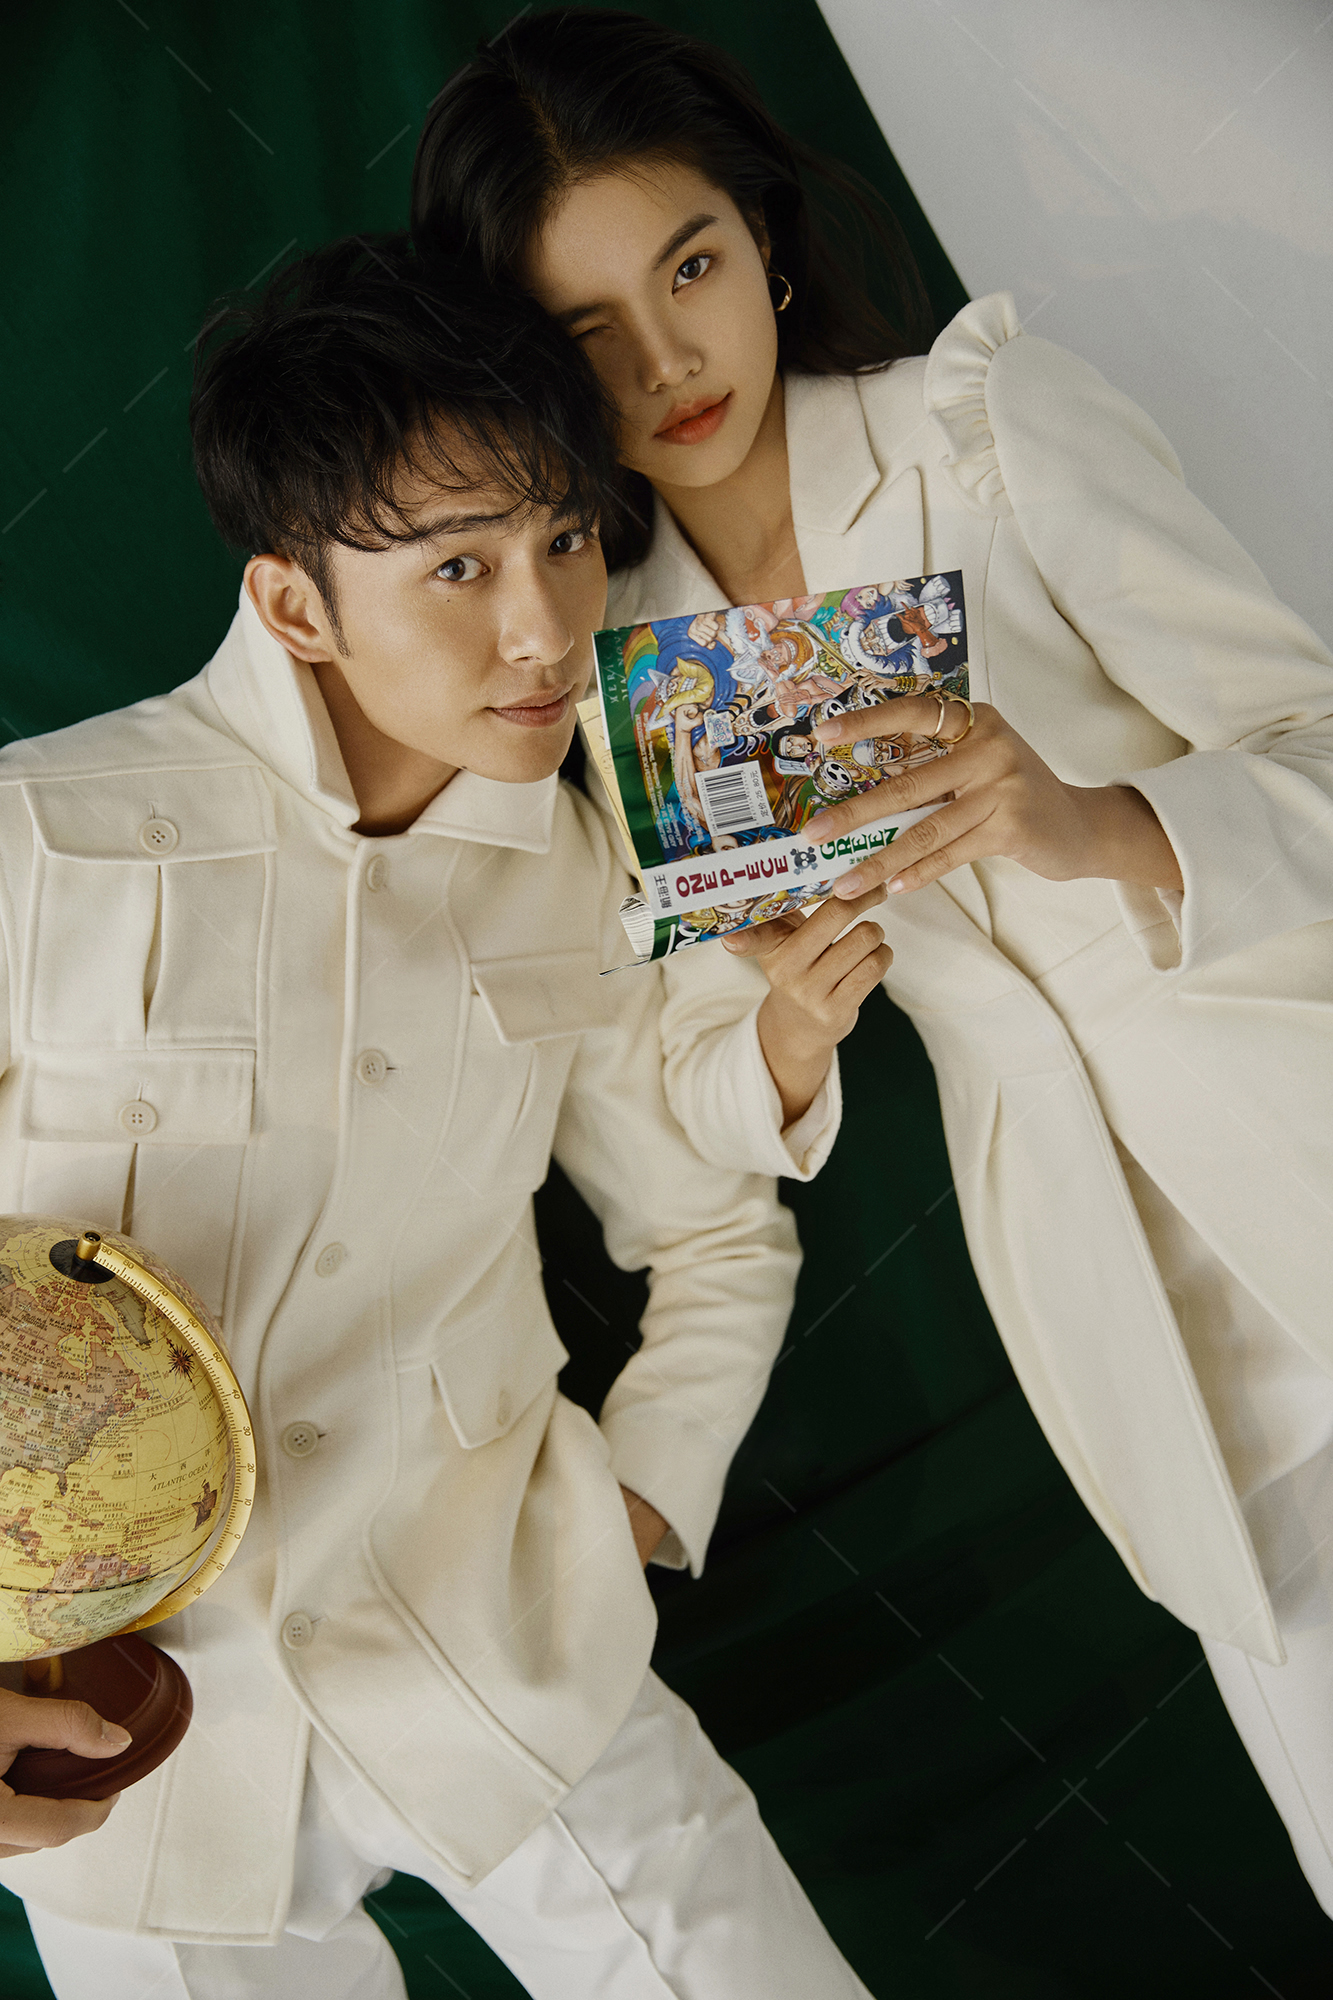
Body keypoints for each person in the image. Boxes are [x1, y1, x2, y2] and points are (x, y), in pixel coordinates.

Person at [410, 8, 1333, 1912]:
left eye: (689, 269)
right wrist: (784, 1031)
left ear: (763, 237)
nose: (664, 363)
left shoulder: (978, 428)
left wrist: (1096, 822)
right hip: (1114, 1301)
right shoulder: (625, 673)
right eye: (586, 331)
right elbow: (693, 1084)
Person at [0, 234, 878, 1999]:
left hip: (513, 1655)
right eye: (457, 566)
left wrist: (638, 1506)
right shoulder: (37, 841)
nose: (543, 629)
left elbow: (713, 1226)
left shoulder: (589, 867)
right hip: (133, 1747)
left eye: (565, 539)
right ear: (294, 606)